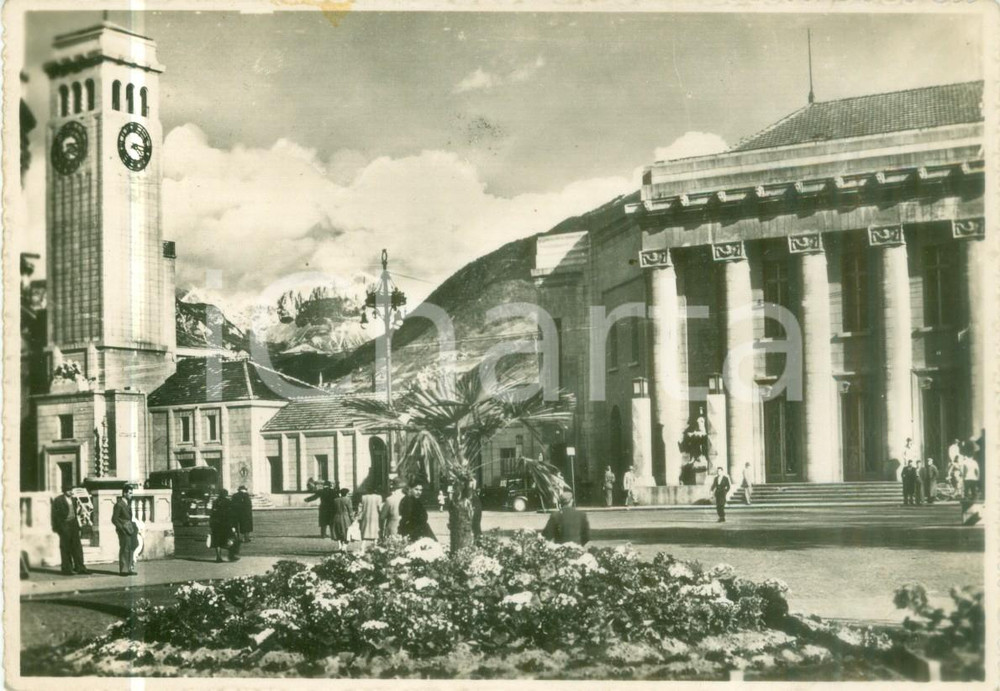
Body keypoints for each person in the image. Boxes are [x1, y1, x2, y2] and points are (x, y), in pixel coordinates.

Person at [50, 485, 88, 575]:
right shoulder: (58, 500)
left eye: (71, 490)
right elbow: (55, 515)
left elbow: (75, 513)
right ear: (64, 491)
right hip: (64, 525)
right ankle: (67, 569)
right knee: (65, 548)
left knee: (77, 547)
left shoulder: (73, 500)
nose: (71, 492)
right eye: (68, 490)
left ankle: (80, 568)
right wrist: (59, 527)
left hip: (73, 525)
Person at [112, 486, 139, 576]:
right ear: (124, 493)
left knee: (131, 547)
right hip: (123, 530)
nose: (131, 495)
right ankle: (123, 570)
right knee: (124, 548)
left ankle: (129, 568)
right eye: (130, 493)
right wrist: (121, 528)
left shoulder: (127, 503)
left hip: (129, 529)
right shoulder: (119, 505)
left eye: (131, 493)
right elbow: (114, 519)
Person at [209, 489, 239, 563]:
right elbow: (231, 514)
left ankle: (218, 557)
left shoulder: (215, 502)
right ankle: (231, 555)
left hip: (216, 524)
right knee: (232, 538)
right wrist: (233, 525)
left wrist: (211, 524)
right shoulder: (228, 502)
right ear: (226, 494)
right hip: (226, 524)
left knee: (217, 540)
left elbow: (212, 513)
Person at [447, 483, 476, 552]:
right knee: (455, 548)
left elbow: (470, 516)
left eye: (456, 489)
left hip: (464, 529)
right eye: (454, 489)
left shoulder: (466, 502)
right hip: (455, 529)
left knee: (464, 548)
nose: (454, 491)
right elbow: (450, 513)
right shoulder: (453, 502)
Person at [468, 477, 483, 544]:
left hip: (475, 511)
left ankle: (477, 540)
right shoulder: (473, 495)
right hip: (475, 510)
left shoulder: (473, 496)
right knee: (476, 526)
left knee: (475, 525)